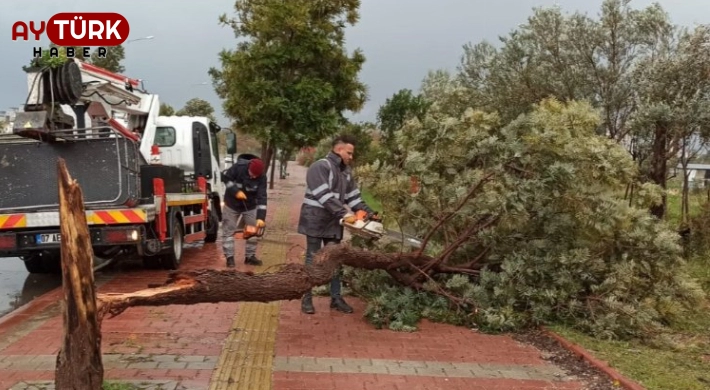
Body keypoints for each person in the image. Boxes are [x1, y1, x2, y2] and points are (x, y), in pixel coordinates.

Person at [297, 134, 378, 314]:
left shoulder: (345, 172)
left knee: (335, 259)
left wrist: (371, 214)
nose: (351, 157)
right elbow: (324, 196)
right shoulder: (319, 167)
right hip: (315, 220)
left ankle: (336, 298)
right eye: (349, 153)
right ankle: (306, 298)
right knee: (312, 259)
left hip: (333, 222)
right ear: (339, 150)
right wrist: (345, 215)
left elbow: (354, 198)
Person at [220, 153, 267, 268]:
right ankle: (230, 258)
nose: (253, 177)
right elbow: (225, 178)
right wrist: (236, 191)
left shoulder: (262, 177)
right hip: (232, 204)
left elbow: (262, 197)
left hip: (250, 205)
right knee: (228, 231)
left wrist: (261, 217)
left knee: (253, 230)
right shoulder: (238, 167)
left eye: (256, 176)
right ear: (249, 168)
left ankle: (250, 257)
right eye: (252, 174)